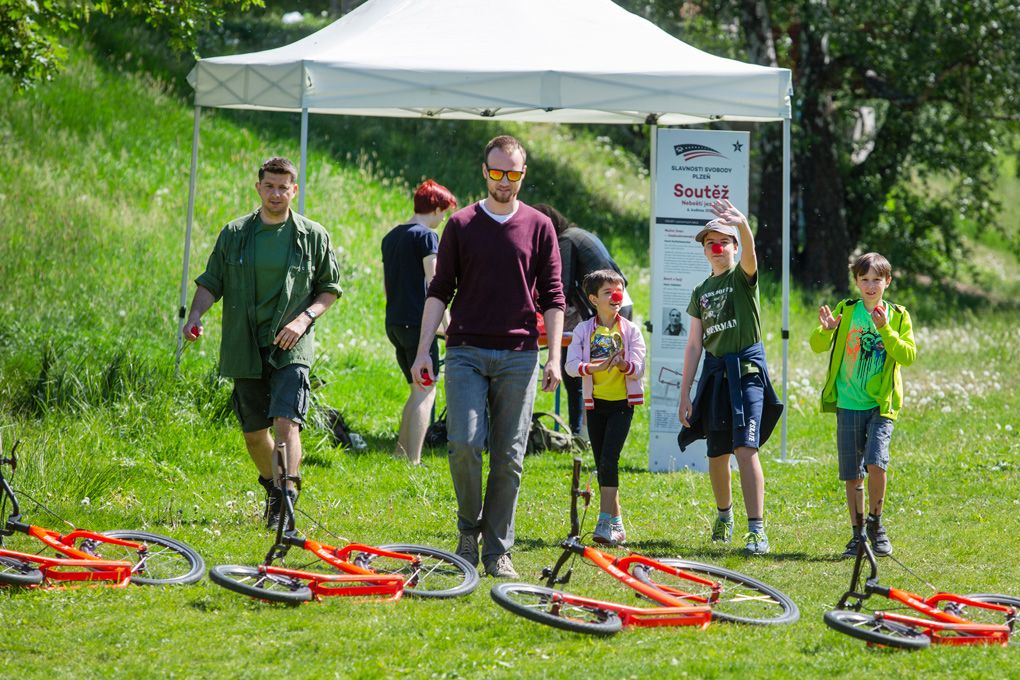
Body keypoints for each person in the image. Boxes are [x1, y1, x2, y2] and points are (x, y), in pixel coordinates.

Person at [410, 135, 565, 579]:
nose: (504, 182)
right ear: (484, 171)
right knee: (464, 444)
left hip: (520, 354)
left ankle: (498, 550)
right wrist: (423, 349)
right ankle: (467, 530)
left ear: (523, 174)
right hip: (466, 351)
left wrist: (553, 356)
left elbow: (554, 297)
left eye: (513, 174)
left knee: (510, 455)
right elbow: (439, 290)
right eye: (497, 173)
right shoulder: (460, 224)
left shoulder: (539, 225)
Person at [184, 157, 341, 529]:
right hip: (246, 343)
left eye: (283, 187)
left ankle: (286, 500)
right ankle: (273, 487)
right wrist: (195, 316)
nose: (276, 193)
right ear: (258, 187)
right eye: (269, 186)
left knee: (287, 424)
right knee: (255, 434)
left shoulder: (312, 235)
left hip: (292, 345)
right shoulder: (235, 233)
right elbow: (211, 281)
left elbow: (329, 290)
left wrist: (304, 320)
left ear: (294, 190)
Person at [678, 199, 783, 556]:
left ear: (735, 247)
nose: (718, 247)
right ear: (705, 250)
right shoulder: (700, 292)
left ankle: (757, 530)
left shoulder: (742, 278)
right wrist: (685, 394)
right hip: (716, 374)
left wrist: (744, 226)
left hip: (748, 374)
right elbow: (694, 345)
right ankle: (725, 516)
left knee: (745, 448)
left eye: (724, 241)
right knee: (717, 453)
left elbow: (751, 256)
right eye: (711, 243)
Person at [810, 252, 916, 558]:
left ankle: (876, 524)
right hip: (848, 403)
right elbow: (817, 346)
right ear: (856, 281)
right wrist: (827, 329)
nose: (870, 286)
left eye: (877, 280)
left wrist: (885, 329)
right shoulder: (846, 310)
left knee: (875, 462)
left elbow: (908, 356)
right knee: (852, 474)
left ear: (888, 282)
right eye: (864, 279)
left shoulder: (897, 315)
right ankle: (857, 535)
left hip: (881, 405)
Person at [533, 203, 632, 437]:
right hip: (617, 304)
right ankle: (582, 432)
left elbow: (562, 286)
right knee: (585, 372)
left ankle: (587, 434)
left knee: (592, 373)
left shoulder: (566, 240)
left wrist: (539, 306)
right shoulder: (582, 235)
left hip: (607, 310)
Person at [565, 269, 645, 545]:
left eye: (619, 290)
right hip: (595, 404)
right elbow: (571, 366)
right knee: (603, 464)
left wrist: (625, 365)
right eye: (608, 292)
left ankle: (603, 522)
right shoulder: (583, 330)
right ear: (593, 299)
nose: (616, 296)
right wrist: (593, 366)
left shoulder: (631, 330)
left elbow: (640, 367)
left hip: (622, 404)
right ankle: (618, 525)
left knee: (609, 460)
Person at [382, 179, 458, 465]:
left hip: (394, 324)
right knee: (427, 390)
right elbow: (435, 284)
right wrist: (447, 327)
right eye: (444, 212)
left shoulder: (390, 237)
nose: (443, 219)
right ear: (436, 208)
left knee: (417, 390)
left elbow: (387, 286)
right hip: (418, 325)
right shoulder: (427, 237)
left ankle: (401, 452)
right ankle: (413, 459)